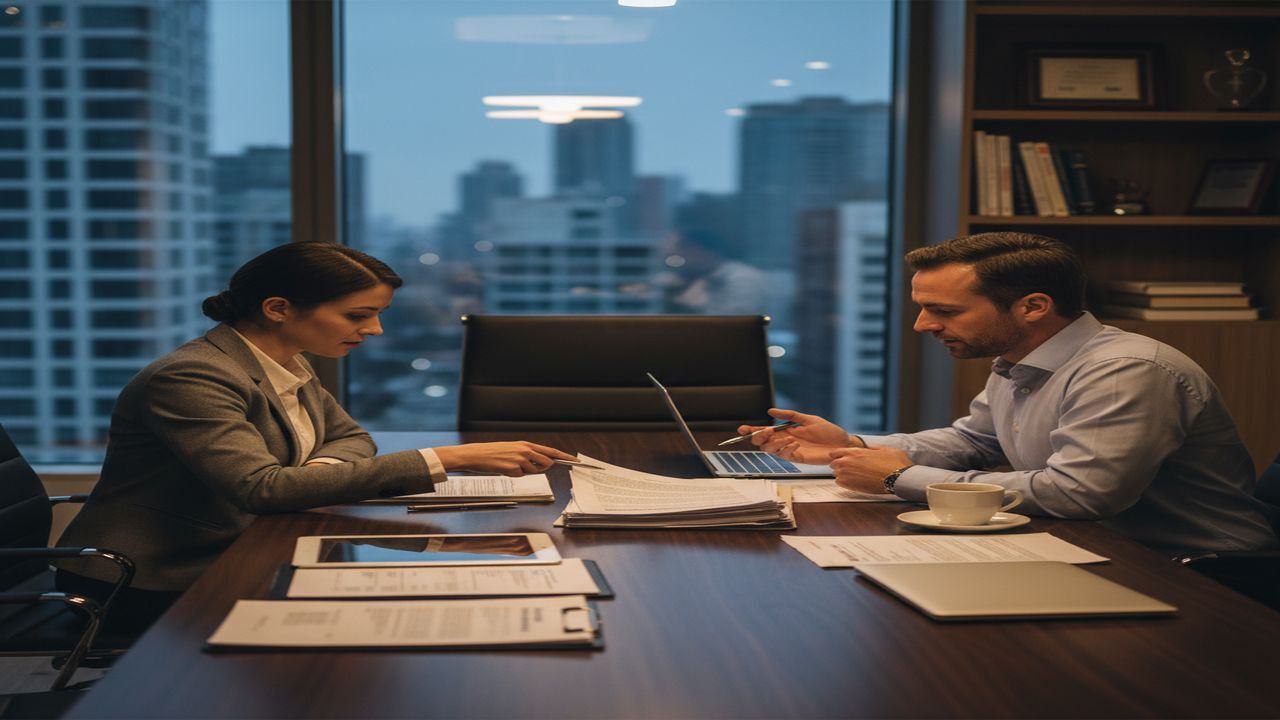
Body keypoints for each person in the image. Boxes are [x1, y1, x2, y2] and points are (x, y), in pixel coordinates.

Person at [55, 242, 575, 630]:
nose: (374, 332)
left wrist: (307, 476)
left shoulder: (286, 362)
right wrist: (444, 458)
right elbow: (260, 490)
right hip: (152, 576)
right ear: (278, 308)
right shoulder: (193, 377)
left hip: (241, 545)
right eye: (358, 315)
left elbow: (353, 440)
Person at [740, 232, 1277, 553]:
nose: (922, 326)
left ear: (1034, 307)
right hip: (1098, 549)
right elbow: (973, 442)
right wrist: (851, 446)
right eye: (922, 307)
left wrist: (899, 477)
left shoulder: (1125, 371)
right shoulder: (1017, 359)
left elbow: (1079, 495)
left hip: (1197, 570)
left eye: (945, 311)